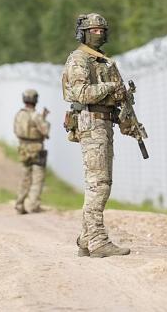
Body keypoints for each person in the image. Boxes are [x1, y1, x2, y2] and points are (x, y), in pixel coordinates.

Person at [62, 13, 130, 258]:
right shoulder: (79, 60)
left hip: (103, 123)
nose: (99, 34)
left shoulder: (102, 61)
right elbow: (81, 93)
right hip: (91, 123)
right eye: (94, 30)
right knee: (98, 185)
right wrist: (111, 88)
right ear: (83, 33)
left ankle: (85, 238)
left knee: (102, 183)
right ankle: (98, 241)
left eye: (102, 30)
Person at [13, 89, 50, 214]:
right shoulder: (36, 115)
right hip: (37, 149)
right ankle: (34, 205)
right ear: (35, 100)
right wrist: (44, 118)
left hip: (23, 148)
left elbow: (16, 130)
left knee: (25, 177)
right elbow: (45, 131)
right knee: (38, 177)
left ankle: (19, 204)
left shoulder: (19, 114)